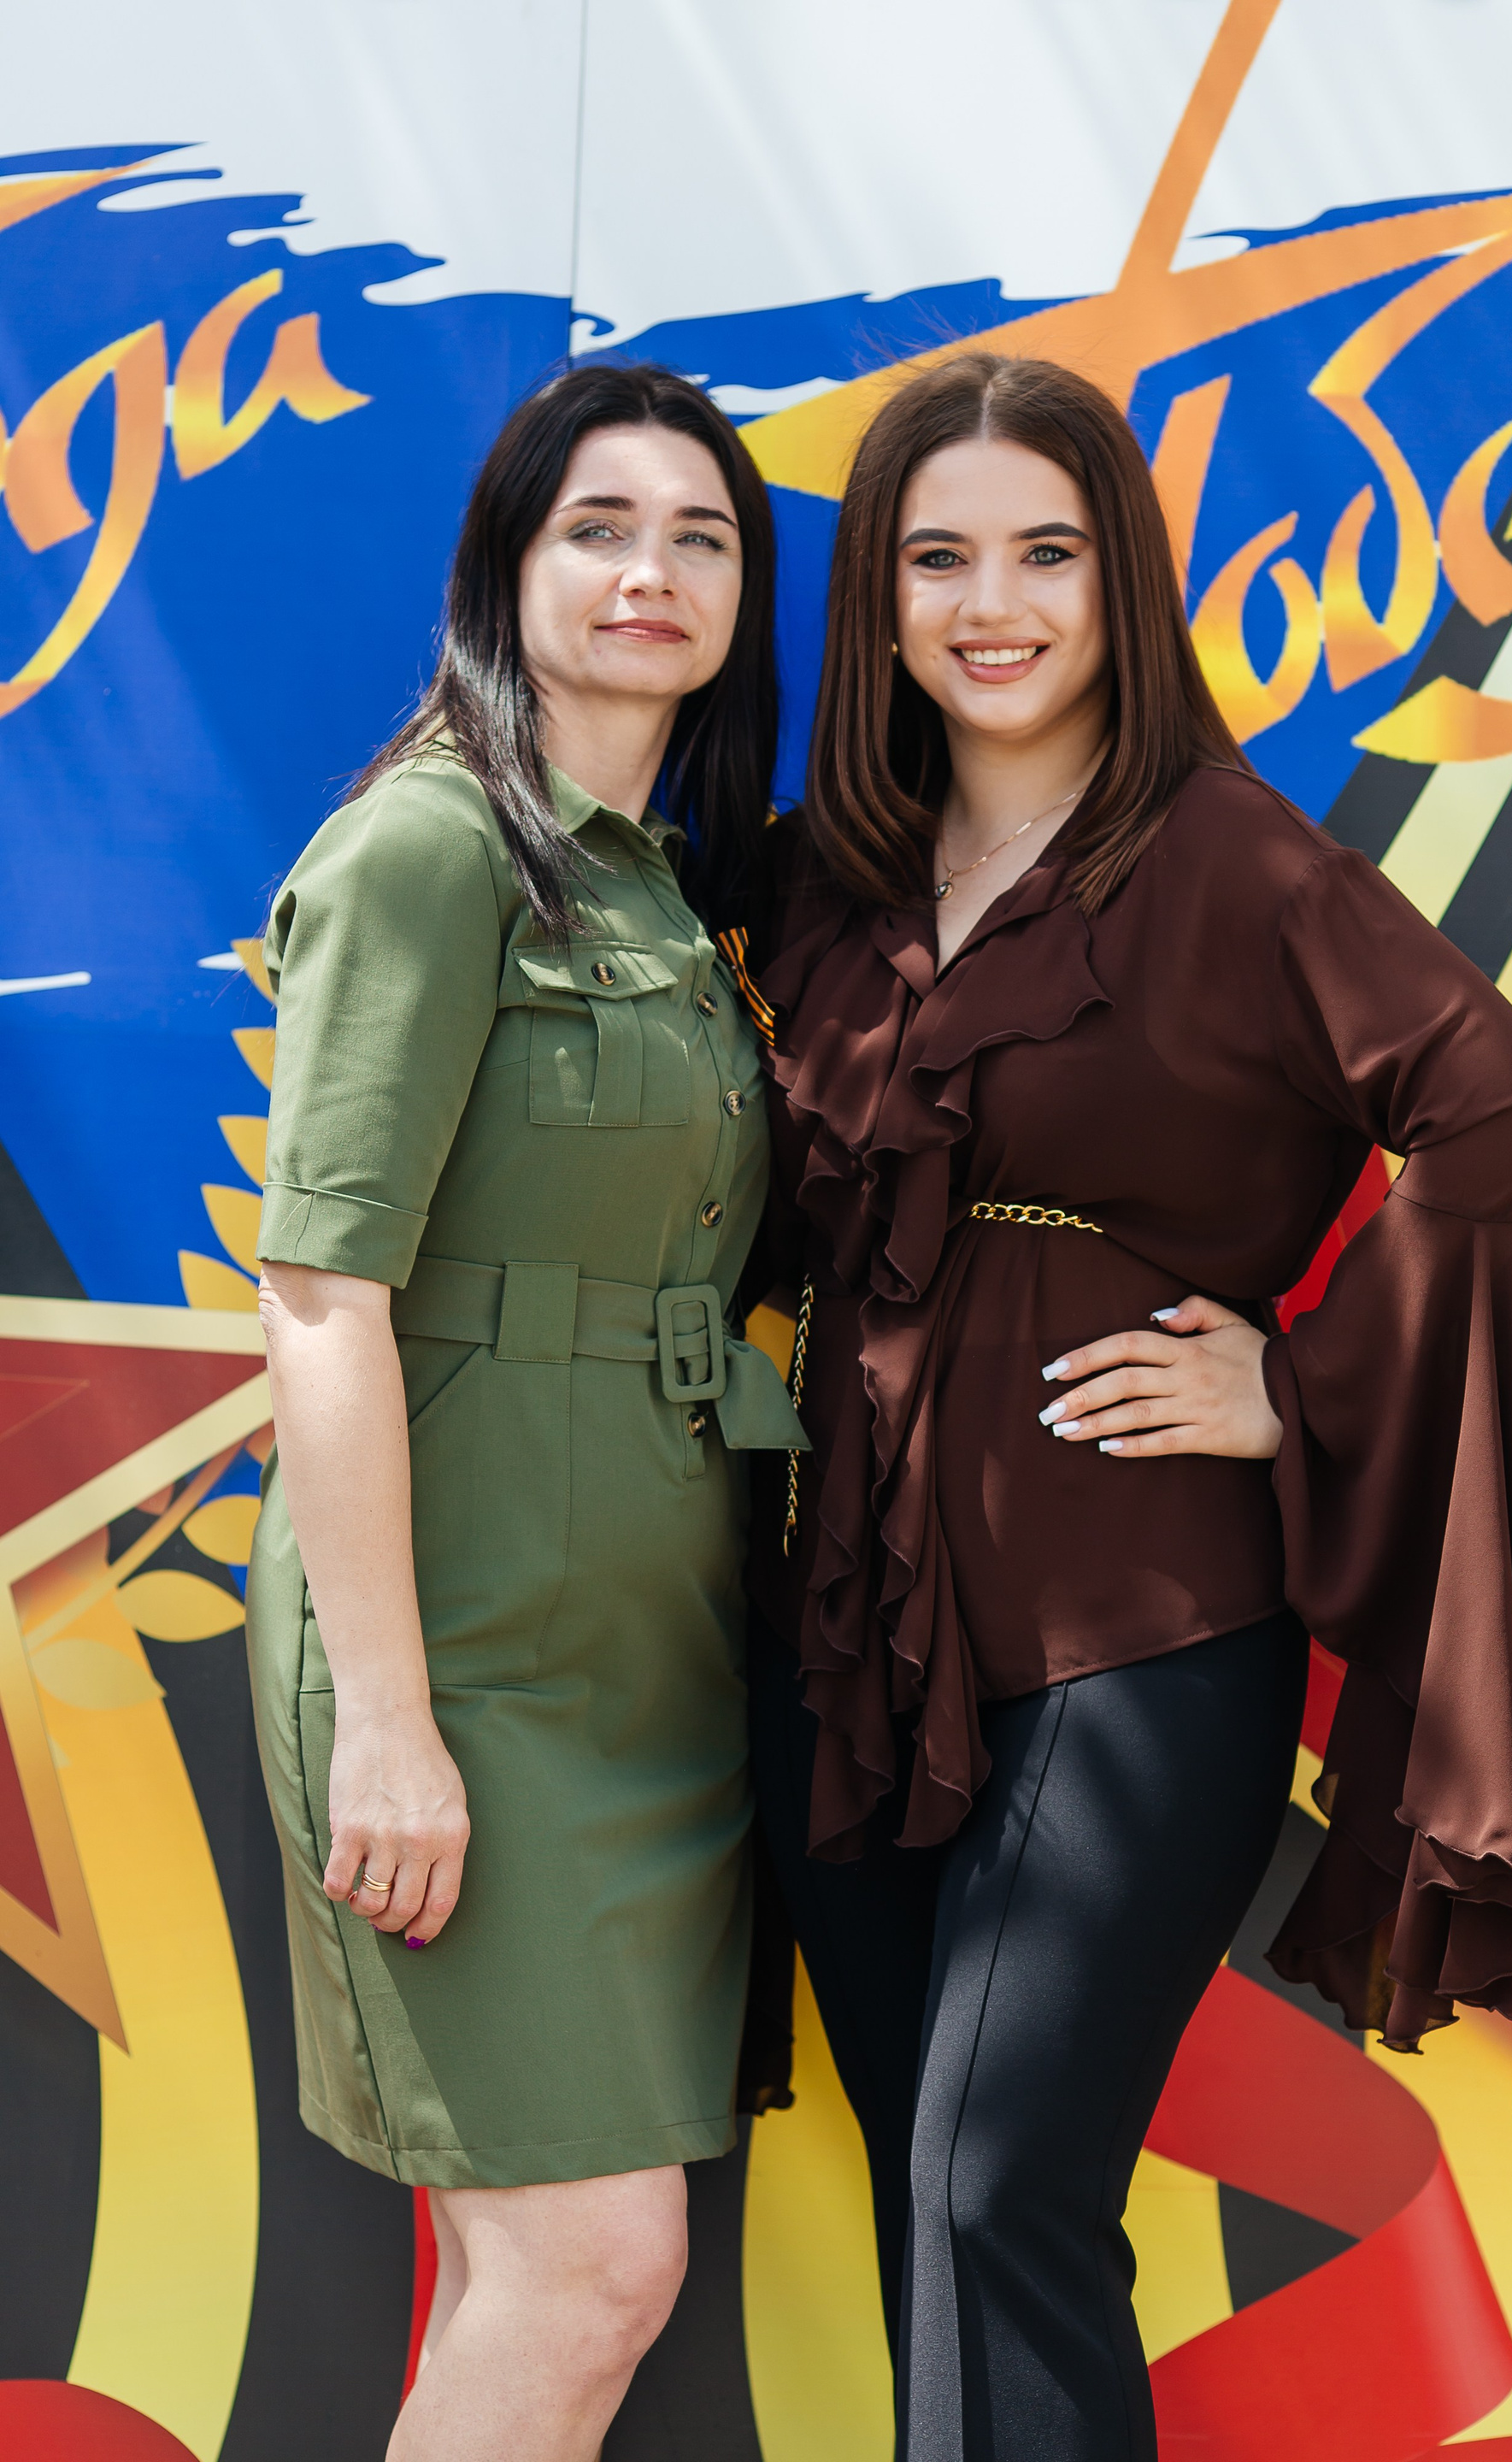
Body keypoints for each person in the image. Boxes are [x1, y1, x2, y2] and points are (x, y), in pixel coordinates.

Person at [744, 351, 1512, 2462]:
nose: (992, 606)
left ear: (1121, 582)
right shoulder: (825, 878)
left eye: (1045, 553)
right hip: (855, 1640)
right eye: (937, 560)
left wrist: (1298, 1388)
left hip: (1133, 1639)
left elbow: (1506, 1114)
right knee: (947, 2213)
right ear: (880, 603)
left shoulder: (1225, 858)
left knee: (995, 2189)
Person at [244, 362, 804, 2462]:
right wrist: (390, 1719)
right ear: (508, 564)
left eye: (701, 536)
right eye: (600, 527)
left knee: (551, 2280)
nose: (652, 571)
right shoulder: (425, 846)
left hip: (652, 1656)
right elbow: (322, 1298)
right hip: (461, 1655)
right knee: (589, 2272)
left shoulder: (667, 889)